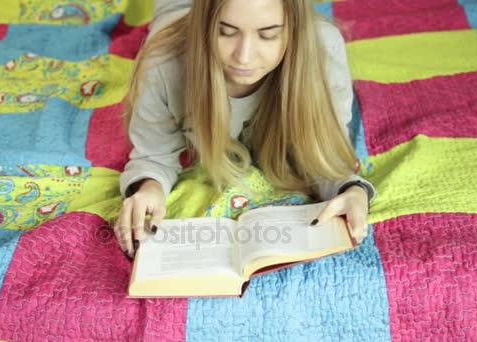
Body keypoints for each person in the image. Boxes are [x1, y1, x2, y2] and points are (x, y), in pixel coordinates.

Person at [114, 0, 377, 259]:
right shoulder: (164, 61)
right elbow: (153, 155)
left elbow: (323, 155)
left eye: (268, 35)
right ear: (204, 25)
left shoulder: (323, 49)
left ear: (294, 29)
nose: (244, 56)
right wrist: (149, 187)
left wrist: (350, 190)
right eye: (225, 31)